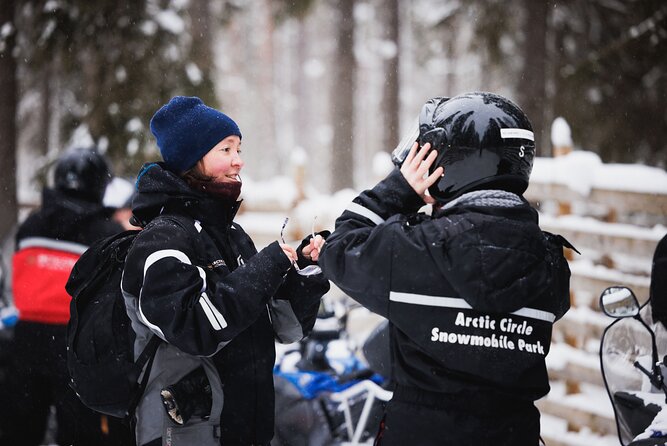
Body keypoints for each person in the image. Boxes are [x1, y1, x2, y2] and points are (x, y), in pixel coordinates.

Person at [319, 92, 573, 445]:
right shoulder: (551, 264)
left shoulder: (421, 249)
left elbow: (340, 248)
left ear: (451, 163)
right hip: (514, 433)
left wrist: (399, 190)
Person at [120, 96, 329, 446]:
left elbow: (286, 328)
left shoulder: (231, 235)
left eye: (239, 148)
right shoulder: (162, 238)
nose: (239, 161)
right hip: (186, 434)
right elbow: (195, 329)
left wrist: (303, 271)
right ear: (192, 158)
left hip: (246, 430)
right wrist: (267, 266)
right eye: (226, 149)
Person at [0, 148, 133, 445]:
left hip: (26, 339)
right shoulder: (106, 232)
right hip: (78, 344)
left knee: (19, 428)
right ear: (100, 184)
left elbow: (13, 276)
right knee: (80, 432)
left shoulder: (31, 224)